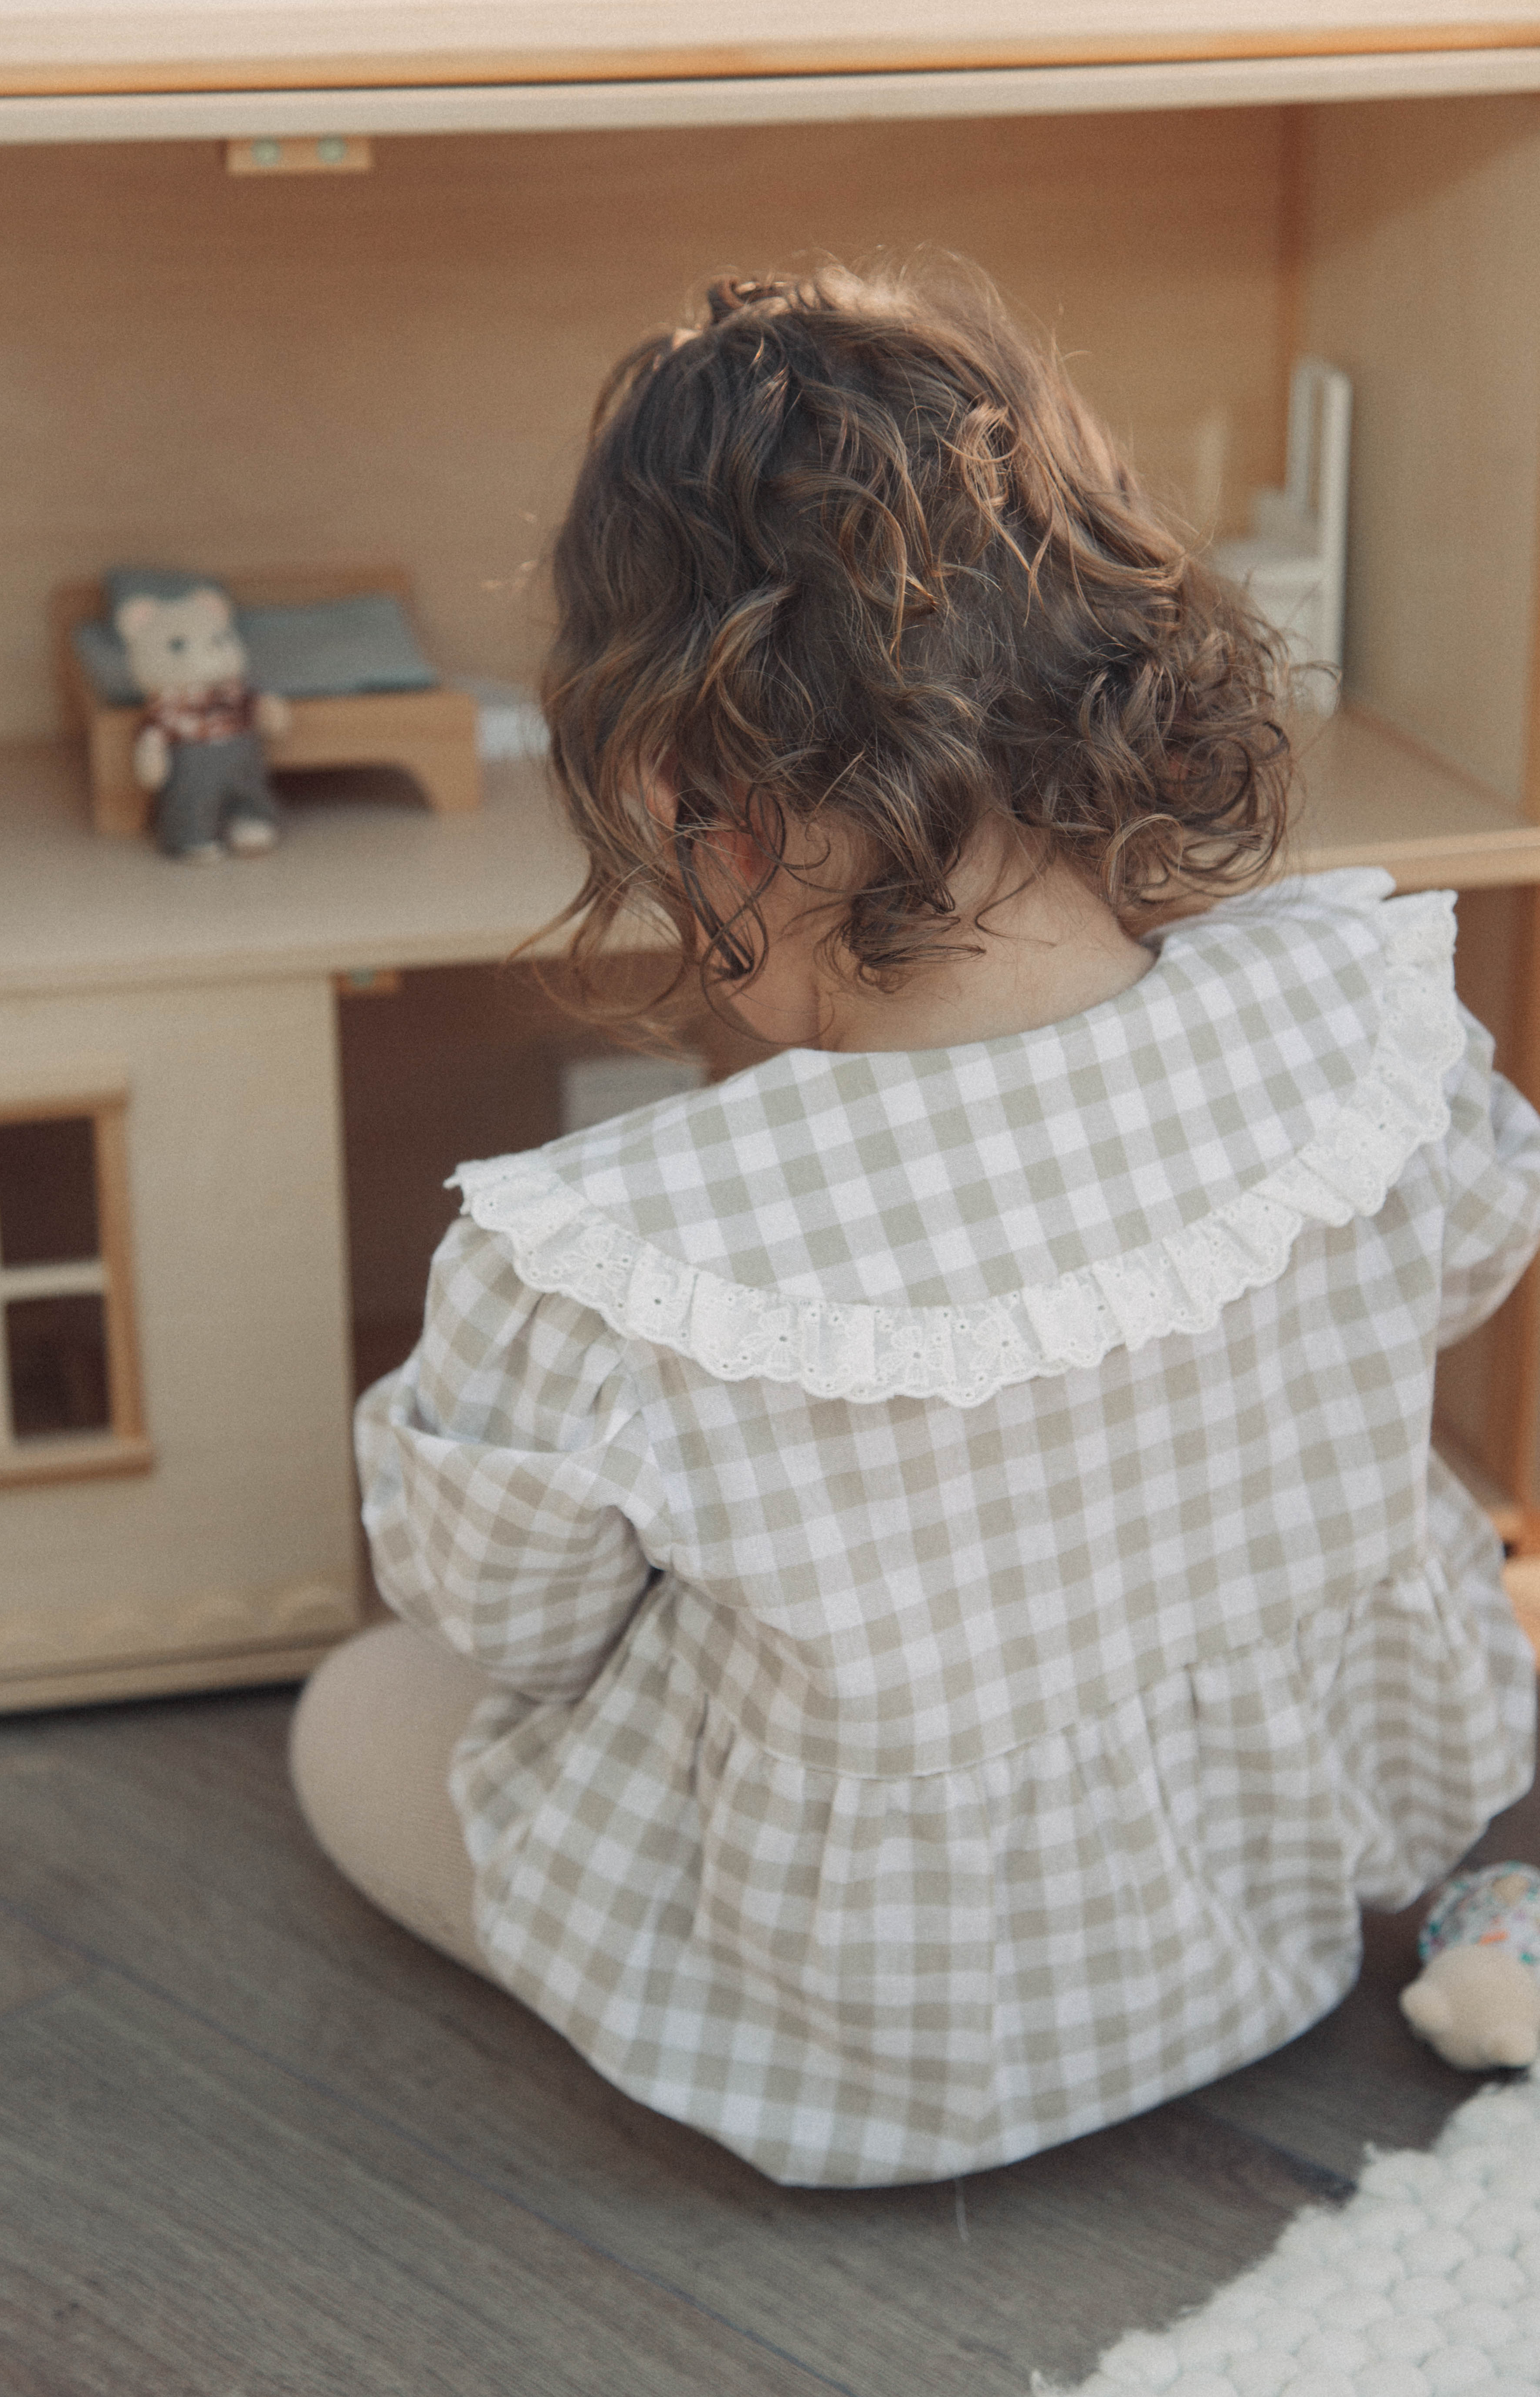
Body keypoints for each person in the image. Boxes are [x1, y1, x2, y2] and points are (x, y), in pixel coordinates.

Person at [291, 265, 1540, 2188]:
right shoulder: (1353, 1020)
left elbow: (514, 1634)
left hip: (873, 2041)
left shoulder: (607, 1255)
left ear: (682, 801)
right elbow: (1463, 1256)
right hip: (1286, 1896)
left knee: (356, 1714)